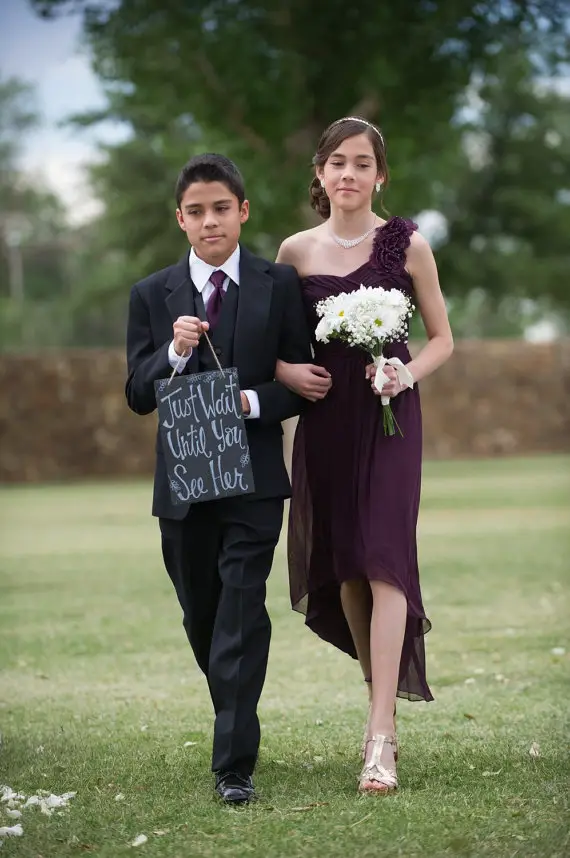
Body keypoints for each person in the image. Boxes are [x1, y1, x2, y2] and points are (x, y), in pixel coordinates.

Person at [125, 153, 313, 804]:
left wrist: (251, 403)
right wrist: (173, 352)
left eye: (222, 208)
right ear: (181, 220)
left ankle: (234, 765)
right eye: (197, 211)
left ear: (244, 211)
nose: (211, 221)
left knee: (240, 611)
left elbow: (300, 385)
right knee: (202, 614)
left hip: (256, 479)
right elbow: (136, 394)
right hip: (182, 484)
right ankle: (233, 702)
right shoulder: (152, 296)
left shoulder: (278, 284)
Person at [275, 117, 453, 793]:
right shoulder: (293, 253)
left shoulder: (407, 244)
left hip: (389, 421)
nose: (348, 174)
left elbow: (441, 339)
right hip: (326, 423)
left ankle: (381, 736)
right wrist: (291, 374)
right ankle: (379, 698)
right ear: (319, 174)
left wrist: (404, 374)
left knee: (384, 559)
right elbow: (274, 345)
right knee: (347, 571)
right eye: (336, 163)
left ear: (380, 174)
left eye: (361, 163)